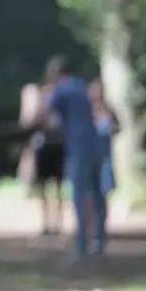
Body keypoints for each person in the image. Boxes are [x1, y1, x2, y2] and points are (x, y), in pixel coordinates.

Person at [36, 55, 106, 261]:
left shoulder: (61, 90)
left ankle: (82, 245)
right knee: (97, 194)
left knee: (79, 196)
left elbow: (43, 115)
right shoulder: (81, 86)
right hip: (95, 144)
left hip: (78, 147)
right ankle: (100, 241)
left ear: (56, 73)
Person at [19, 64, 66, 236]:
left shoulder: (62, 96)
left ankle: (58, 222)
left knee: (58, 185)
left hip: (58, 143)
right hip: (43, 144)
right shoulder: (42, 95)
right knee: (44, 185)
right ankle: (46, 221)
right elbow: (32, 120)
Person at [87, 78, 119, 201]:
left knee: (105, 185)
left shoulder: (108, 108)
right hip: (90, 152)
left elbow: (117, 126)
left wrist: (111, 129)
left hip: (105, 151)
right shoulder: (86, 109)